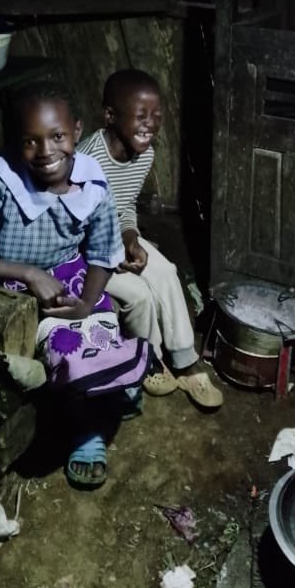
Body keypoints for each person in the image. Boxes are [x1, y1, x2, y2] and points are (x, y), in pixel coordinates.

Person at [0, 80, 153, 489]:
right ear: (15, 142)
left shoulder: (91, 177)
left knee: (99, 327)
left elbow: (103, 250)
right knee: (61, 343)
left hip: (72, 273)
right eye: (30, 141)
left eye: (57, 137)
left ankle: (108, 384)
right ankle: (85, 434)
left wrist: (88, 302)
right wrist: (29, 274)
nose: (46, 151)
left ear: (77, 131)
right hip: (10, 282)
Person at [78, 69, 223, 409]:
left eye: (156, 116)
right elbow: (72, 226)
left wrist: (130, 237)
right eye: (140, 115)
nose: (150, 124)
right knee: (139, 293)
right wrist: (112, 255)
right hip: (85, 252)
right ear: (110, 115)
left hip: (116, 238)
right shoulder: (87, 161)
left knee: (167, 272)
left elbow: (125, 204)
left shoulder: (145, 154)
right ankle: (150, 359)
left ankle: (185, 359)